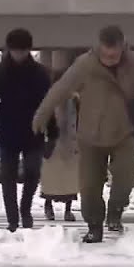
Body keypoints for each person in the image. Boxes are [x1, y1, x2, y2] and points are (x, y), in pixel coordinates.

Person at [32, 26, 134, 243]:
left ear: (122, 47)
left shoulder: (133, 62)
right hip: (90, 136)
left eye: (114, 55)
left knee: (125, 179)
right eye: (105, 54)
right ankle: (94, 226)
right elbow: (61, 89)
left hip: (123, 132)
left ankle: (115, 212)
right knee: (89, 187)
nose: (110, 59)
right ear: (99, 48)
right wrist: (41, 114)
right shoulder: (85, 64)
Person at [0, 28, 52, 231]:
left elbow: (48, 104)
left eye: (22, 51)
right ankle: (12, 218)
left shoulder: (40, 73)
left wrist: (53, 133)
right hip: (8, 129)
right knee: (8, 177)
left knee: (32, 172)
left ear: (28, 50)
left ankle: (25, 208)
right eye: (15, 50)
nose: (18, 54)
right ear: (9, 50)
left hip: (34, 130)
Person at [41, 91, 81, 222]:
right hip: (54, 136)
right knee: (52, 172)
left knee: (68, 174)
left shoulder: (74, 96)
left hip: (69, 136)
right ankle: (50, 205)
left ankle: (65, 209)